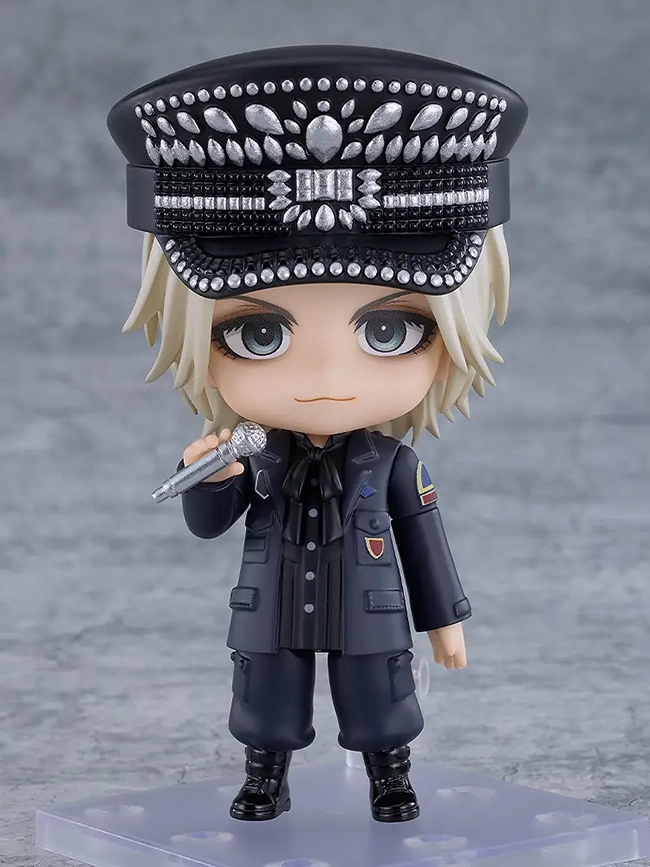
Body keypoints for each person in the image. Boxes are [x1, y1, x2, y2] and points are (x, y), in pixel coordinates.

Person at [108, 44, 527, 823]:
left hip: (369, 603)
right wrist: (212, 474)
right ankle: (264, 777)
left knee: (379, 696)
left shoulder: (393, 461)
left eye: (390, 331)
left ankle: (389, 775)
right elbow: (207, 522)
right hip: (272, 603)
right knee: (265, 696)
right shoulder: (251, 452)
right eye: (258, 335)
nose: (328, 374)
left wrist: (444, 619)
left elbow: (425, 541)